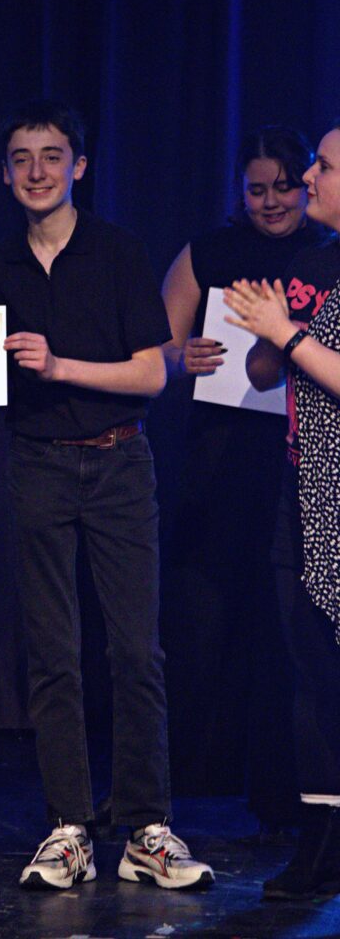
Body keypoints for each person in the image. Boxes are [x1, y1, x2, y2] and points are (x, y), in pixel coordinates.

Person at [0, 99, 213, 891]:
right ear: (5, 174)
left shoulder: (116, 252)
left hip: (116, 463)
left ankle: (147, 828)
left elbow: (151, 371)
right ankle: (69, 826)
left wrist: (59, 365)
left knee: (135, 649)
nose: (37, 171)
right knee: (52, 652)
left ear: (79, 165)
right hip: (35, 461)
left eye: (52, 155)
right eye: (21, 158)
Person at [160, 127, 329, 830]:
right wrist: (187, 353)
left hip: (304, 461)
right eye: (256, 189)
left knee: (297, 637)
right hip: (223, 456)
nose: (273, 200)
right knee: (212, 624)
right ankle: (203, 783)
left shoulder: (323, 256)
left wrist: (283, 333)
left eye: (287, 184)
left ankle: (297, 797)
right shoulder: (212, 250)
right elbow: (162, 351)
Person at [225, 121, 340, 900]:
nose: (307, 180)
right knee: (314, 681)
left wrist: (286, 333)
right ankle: (322, 844)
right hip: (305, 495)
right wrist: (264, 337)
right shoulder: (310, 262)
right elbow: (270, 373)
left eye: (323, 168)